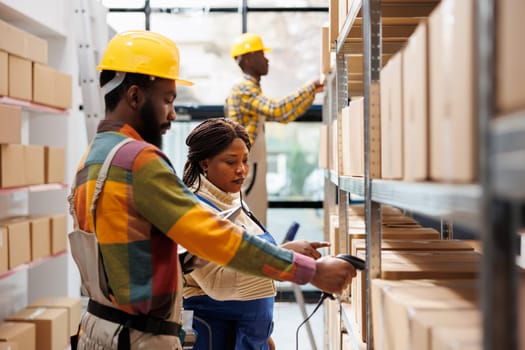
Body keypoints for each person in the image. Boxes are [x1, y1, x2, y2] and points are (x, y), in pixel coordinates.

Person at [68, 30, 356, 350]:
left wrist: (279, 254)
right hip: (136, 337)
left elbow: (145, 260)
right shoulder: (138, 161)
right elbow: (212, 236)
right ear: (135, 97)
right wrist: (309, 271)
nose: (173, 113)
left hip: (98, 329)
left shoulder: (94, 158)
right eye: (167, 100)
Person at [182, 118, 330, 350]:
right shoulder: (195, 210)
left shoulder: (232, 201)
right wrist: (283, 256)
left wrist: (263, 335)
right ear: (204, 164)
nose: (241, 170)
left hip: (249, 336)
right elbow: (219, 283)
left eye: (245, 161)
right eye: (230, 162)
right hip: (215, 336)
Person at [225, 32, 324, 226]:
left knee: (255, 219)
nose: (267, 59)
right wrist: (310, 86)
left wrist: (312, 92)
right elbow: (277, 109)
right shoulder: (244, 88)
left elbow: (284, 116)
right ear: (248, 58)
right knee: (250, 221)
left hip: (252, 162)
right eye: (262, 54)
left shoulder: (251, 90)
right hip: (247, 162)